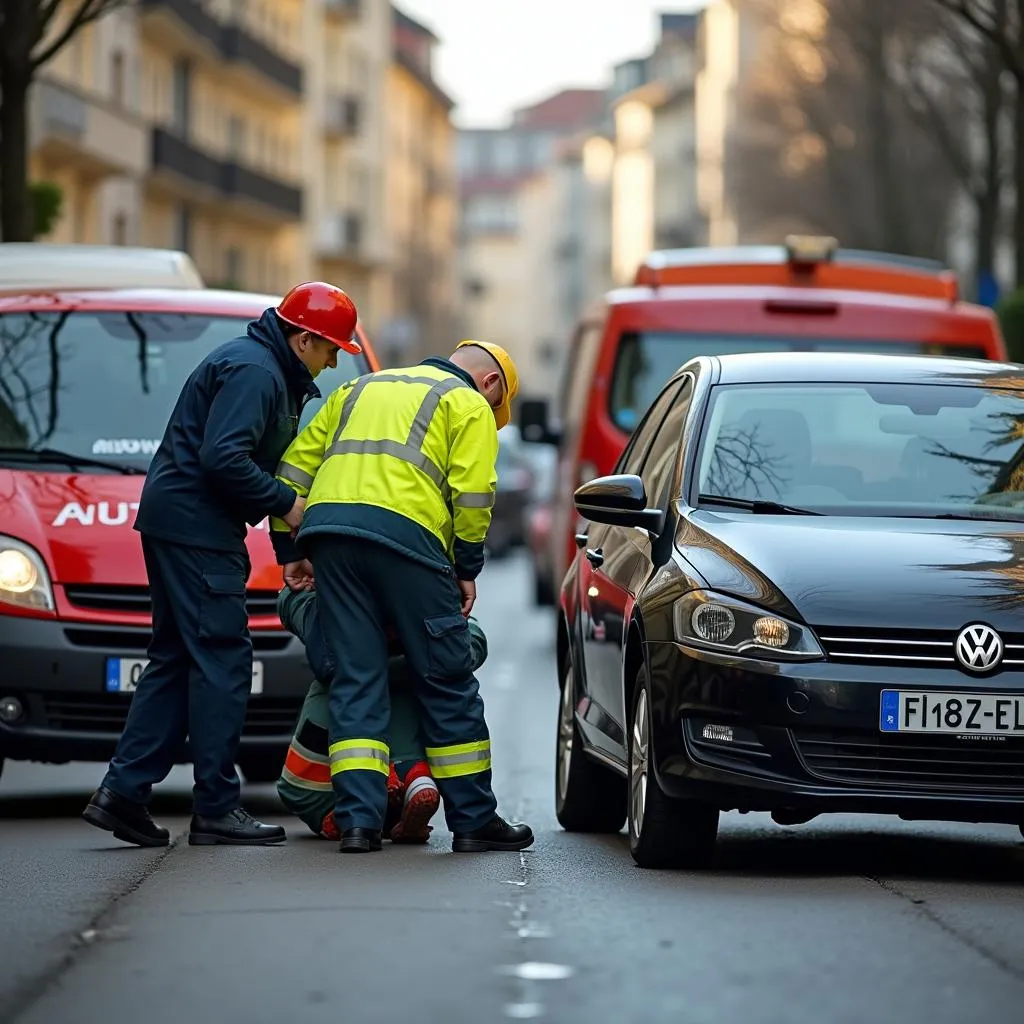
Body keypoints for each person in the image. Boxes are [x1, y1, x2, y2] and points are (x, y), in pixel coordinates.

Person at [83, 282, 361, 849]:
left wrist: (289, 553)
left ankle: (123, 794)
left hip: (177, 522)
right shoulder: (258, 372)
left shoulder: (259, 364)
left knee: (173, 659)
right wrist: (288, 506)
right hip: (198, 532)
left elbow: (259, 463)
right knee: (223, 661)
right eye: (331, 349)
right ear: (304, 338)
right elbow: (225, 458)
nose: (334, 361)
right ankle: (215, 807)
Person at [271, 340, 534, 854]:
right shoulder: (468, 404)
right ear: (492, 384)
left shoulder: (357, 387)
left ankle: (358, 824)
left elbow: (293, 469)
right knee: (446, 676)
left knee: (356, 678)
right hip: (409, 541)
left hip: (330, 537)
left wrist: (290, 547)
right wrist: (465, 568)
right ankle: (475, 820)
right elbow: (475, 494)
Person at [274, 585, 489, 843]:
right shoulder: (425, 584)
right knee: (425, 684)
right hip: (412, 723)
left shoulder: (338, 585)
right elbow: (471, 640)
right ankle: (413, 775)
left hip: (321, 762)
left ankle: (347, 817)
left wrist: (305, 582)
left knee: (301, 791)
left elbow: (293, 605)